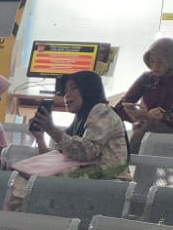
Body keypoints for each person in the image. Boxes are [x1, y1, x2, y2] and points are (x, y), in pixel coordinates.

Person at [10, 69, 130, 205]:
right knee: (25, 181)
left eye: (73, 88)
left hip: (108, 182)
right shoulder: (79, 120)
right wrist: (40, 138)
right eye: (65, 91)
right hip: (86, 179)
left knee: (29, 186)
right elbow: (54, 161)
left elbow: (86, 152)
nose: (67, 95)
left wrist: (51, 129)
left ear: (88, 89)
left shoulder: (102, 111)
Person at [115, 37, 173, 152]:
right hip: (148, 127)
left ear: (171, 61)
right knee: (111, 120)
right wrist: (129, 111)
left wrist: (148, 116)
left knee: (150, 128)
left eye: (160, 62)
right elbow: (124, 103)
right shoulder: (147, 78)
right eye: (151, 62)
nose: (155, 67)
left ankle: (130, 160)